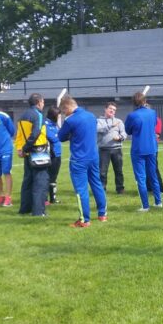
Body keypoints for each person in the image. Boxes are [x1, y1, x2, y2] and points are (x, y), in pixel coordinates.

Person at [58, 96, 108, 227]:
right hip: (93, 155)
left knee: (81, 190)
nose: (64, 114)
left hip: (79, 159)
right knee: (97, 184)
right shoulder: (91, 116)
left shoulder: (70, 120)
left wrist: (70, 133)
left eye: (64, 112)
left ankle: (84, 220)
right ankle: (102, 214)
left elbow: (60, 136)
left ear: (68, 107)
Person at [14, 93, 50, 217]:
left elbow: (18, 135)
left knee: (27, 181)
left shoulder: (22, 116)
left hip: (27, 152)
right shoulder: (38, 115)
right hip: (38, 151)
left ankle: (25, 209)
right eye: (43, 102)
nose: (43, 104)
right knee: (40, 181)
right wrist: (25, 147)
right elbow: (35, 133)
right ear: (39, 102)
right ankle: (38, 211)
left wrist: (20, 149)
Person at [125, 91, 161, 211]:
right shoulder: (152, 112)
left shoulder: (132, 116)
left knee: (141, 177)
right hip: (152, 147)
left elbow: (128, 131)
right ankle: (158, 201)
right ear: (145, 101)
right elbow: (155, 124)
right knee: (153, 175)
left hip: (138, 149)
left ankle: (145, 206)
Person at [97, 101, 126, 195]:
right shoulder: (99, 121)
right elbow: (99, 130)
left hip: (117, 149)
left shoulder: (119, 121)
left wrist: (120, 137)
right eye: (110, 109)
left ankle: (120, 189)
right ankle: (102, 189)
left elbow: (124, 133)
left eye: (114, 110)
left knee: (119, 170)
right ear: (105, 109)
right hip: (103, 150)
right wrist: (111, 126)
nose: (112, 111)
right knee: (102, 171)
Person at [45, 107, 62, 204]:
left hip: (57, 153)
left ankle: (53, 198)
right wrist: (58, 136)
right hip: (50, 154)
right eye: (58, 116)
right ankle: (45, 198)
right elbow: (53, 138)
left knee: (54, 177)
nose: (60, 117)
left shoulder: (55, 125)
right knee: (47, 176)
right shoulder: (46, 124)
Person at [146, 115, 163, 194]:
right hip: (145, 144)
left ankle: (160, 188)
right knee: (145, 167)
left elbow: (157, 134)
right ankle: (149, 187)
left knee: (153, 166)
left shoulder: (156, 119)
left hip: (152, 145)